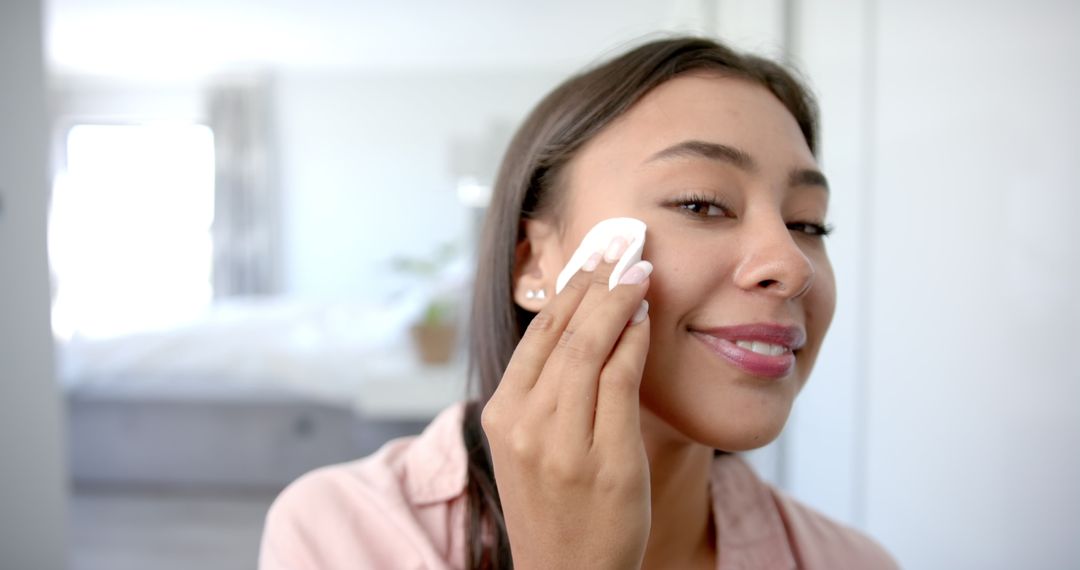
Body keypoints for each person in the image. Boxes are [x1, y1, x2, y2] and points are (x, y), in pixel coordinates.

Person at [259, 36, 898, 569]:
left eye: (808, 224)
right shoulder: (342, 535)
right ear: (532, 261)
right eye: (701, 203)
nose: (789, 264)